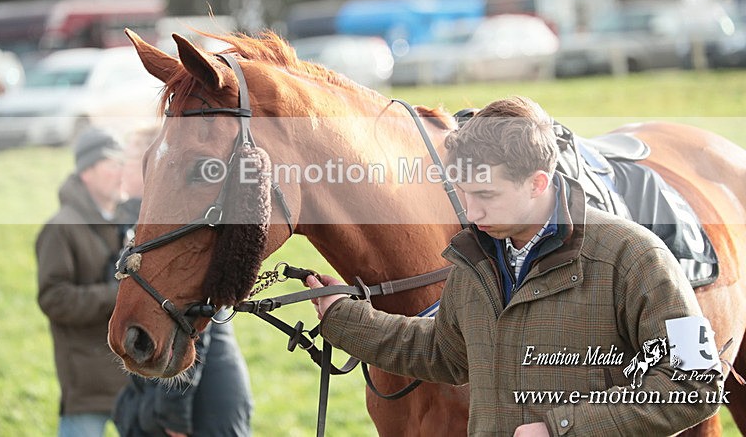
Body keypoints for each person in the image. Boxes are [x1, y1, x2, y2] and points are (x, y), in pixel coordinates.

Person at [305, 96, 721, 436]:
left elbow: (697, 383)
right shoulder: (476, 257)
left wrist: (562, 428)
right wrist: (343, 318)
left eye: (486, 194)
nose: (471, 211)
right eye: (464, 194)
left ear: (538, 182)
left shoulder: (635, 256)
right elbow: (443, 353)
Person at [113, 126, 254, 437]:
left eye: (130, 161)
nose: (121, 170)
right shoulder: (136, 221)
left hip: (202, 403)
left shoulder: (171, 226)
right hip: (159, 394)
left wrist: (173, 419)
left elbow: (193, 320)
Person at [36, 127, 129, 437]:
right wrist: (117, 295)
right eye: (112, 164)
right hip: (87, 381)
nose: (121, 172)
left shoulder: (125, 222)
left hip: (130, 375)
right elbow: (53, 298)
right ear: (87, 172)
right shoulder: (59, 228)